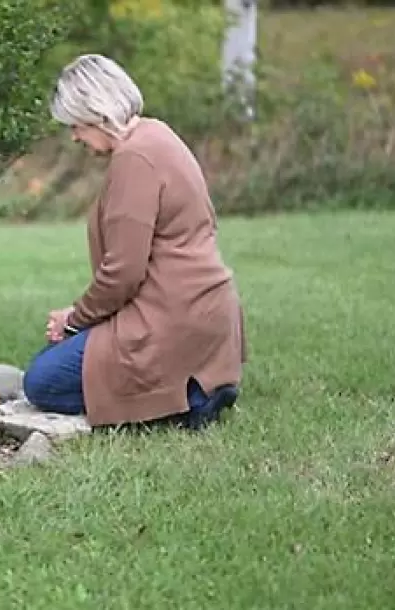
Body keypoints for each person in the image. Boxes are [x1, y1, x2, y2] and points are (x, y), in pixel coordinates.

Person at [22, 54, 248, 430]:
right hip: (200, 312)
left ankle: (187, 399)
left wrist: (75, 321)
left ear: (95, 111)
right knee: (60, 358)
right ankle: (199, 383)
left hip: (172, 318)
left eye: (75, 124)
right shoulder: (158, 135)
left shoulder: (135, 159)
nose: (74, 136)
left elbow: (123, 273)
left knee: (42, 382)